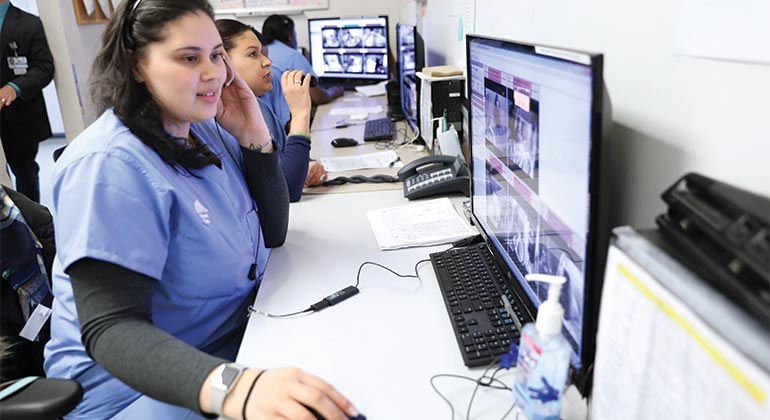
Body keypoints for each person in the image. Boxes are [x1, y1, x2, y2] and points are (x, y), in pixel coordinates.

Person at [42, 1, 358, 419]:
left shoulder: (204, 128)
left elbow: (274, 232)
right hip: (137, 389)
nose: (213, 73)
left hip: (233, 342)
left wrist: (255, 137)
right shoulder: (109, 165)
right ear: (136, 64)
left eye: (215, 56)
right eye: (189, 58)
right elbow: (112, 329)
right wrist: (236, 387)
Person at [216, 19, 328, 198]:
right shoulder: (222, 121)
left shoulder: (259, 106)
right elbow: (287, 188)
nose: (267, 61)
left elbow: (284, 163)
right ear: (221, 61)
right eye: (253, 54)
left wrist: (309, 167)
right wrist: (300, 114)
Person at [0, 0, 55, 203]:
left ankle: (31, 228)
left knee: (24, 173)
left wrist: (14, 87)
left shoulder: (29, 24)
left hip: (19, 116)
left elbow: (44, 67)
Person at [261, 14, 343, 105]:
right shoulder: (292, 56)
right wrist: (334, 92)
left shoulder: (262, 52)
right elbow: (316, 97)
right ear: (290, 35)